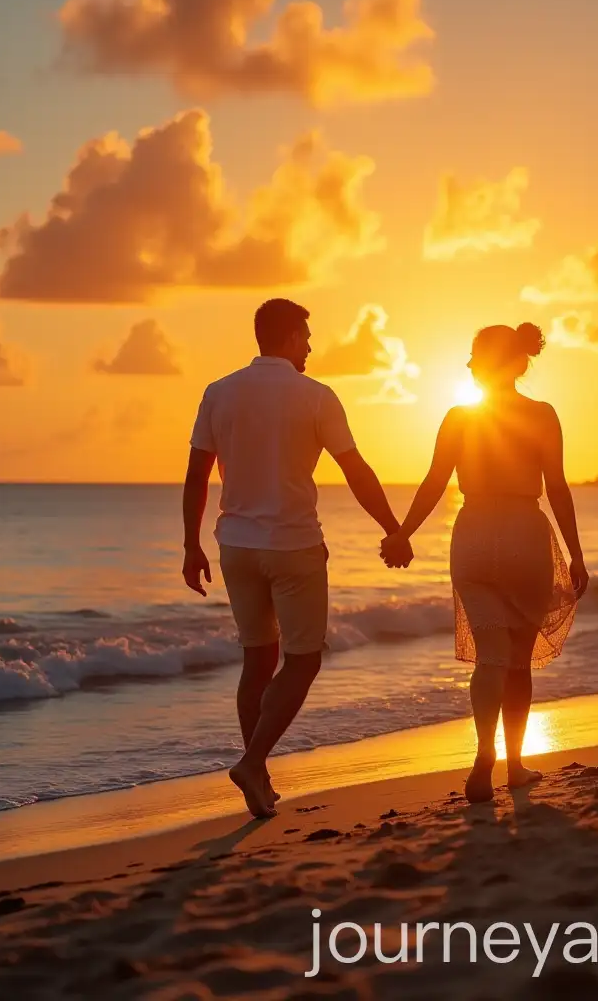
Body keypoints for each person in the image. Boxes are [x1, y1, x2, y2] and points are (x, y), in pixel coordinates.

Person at [183, 298, 412, 818]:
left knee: (257, 659)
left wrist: (190, 544)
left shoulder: (219, 392)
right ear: (287, 338)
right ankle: (253, 761)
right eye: (305, 336)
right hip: (293, 546)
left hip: (236, 546)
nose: (310, 346)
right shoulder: (316, 396)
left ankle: (257, 781)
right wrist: (392, 528)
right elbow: (355, 469)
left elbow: (197, 474)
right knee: (303, 660)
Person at [381, 323, 587, 803]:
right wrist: (576, 551)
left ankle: (483, 756)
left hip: (472, 535)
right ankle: (514, 766)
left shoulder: (458, 417)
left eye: (473, 356)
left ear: (485, 363)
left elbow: (434, 482)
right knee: (518, 660)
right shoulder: (541, 415)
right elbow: (556, 487)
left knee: (491, 657)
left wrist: (403, 533)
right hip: (524, 534)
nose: (469, 365)